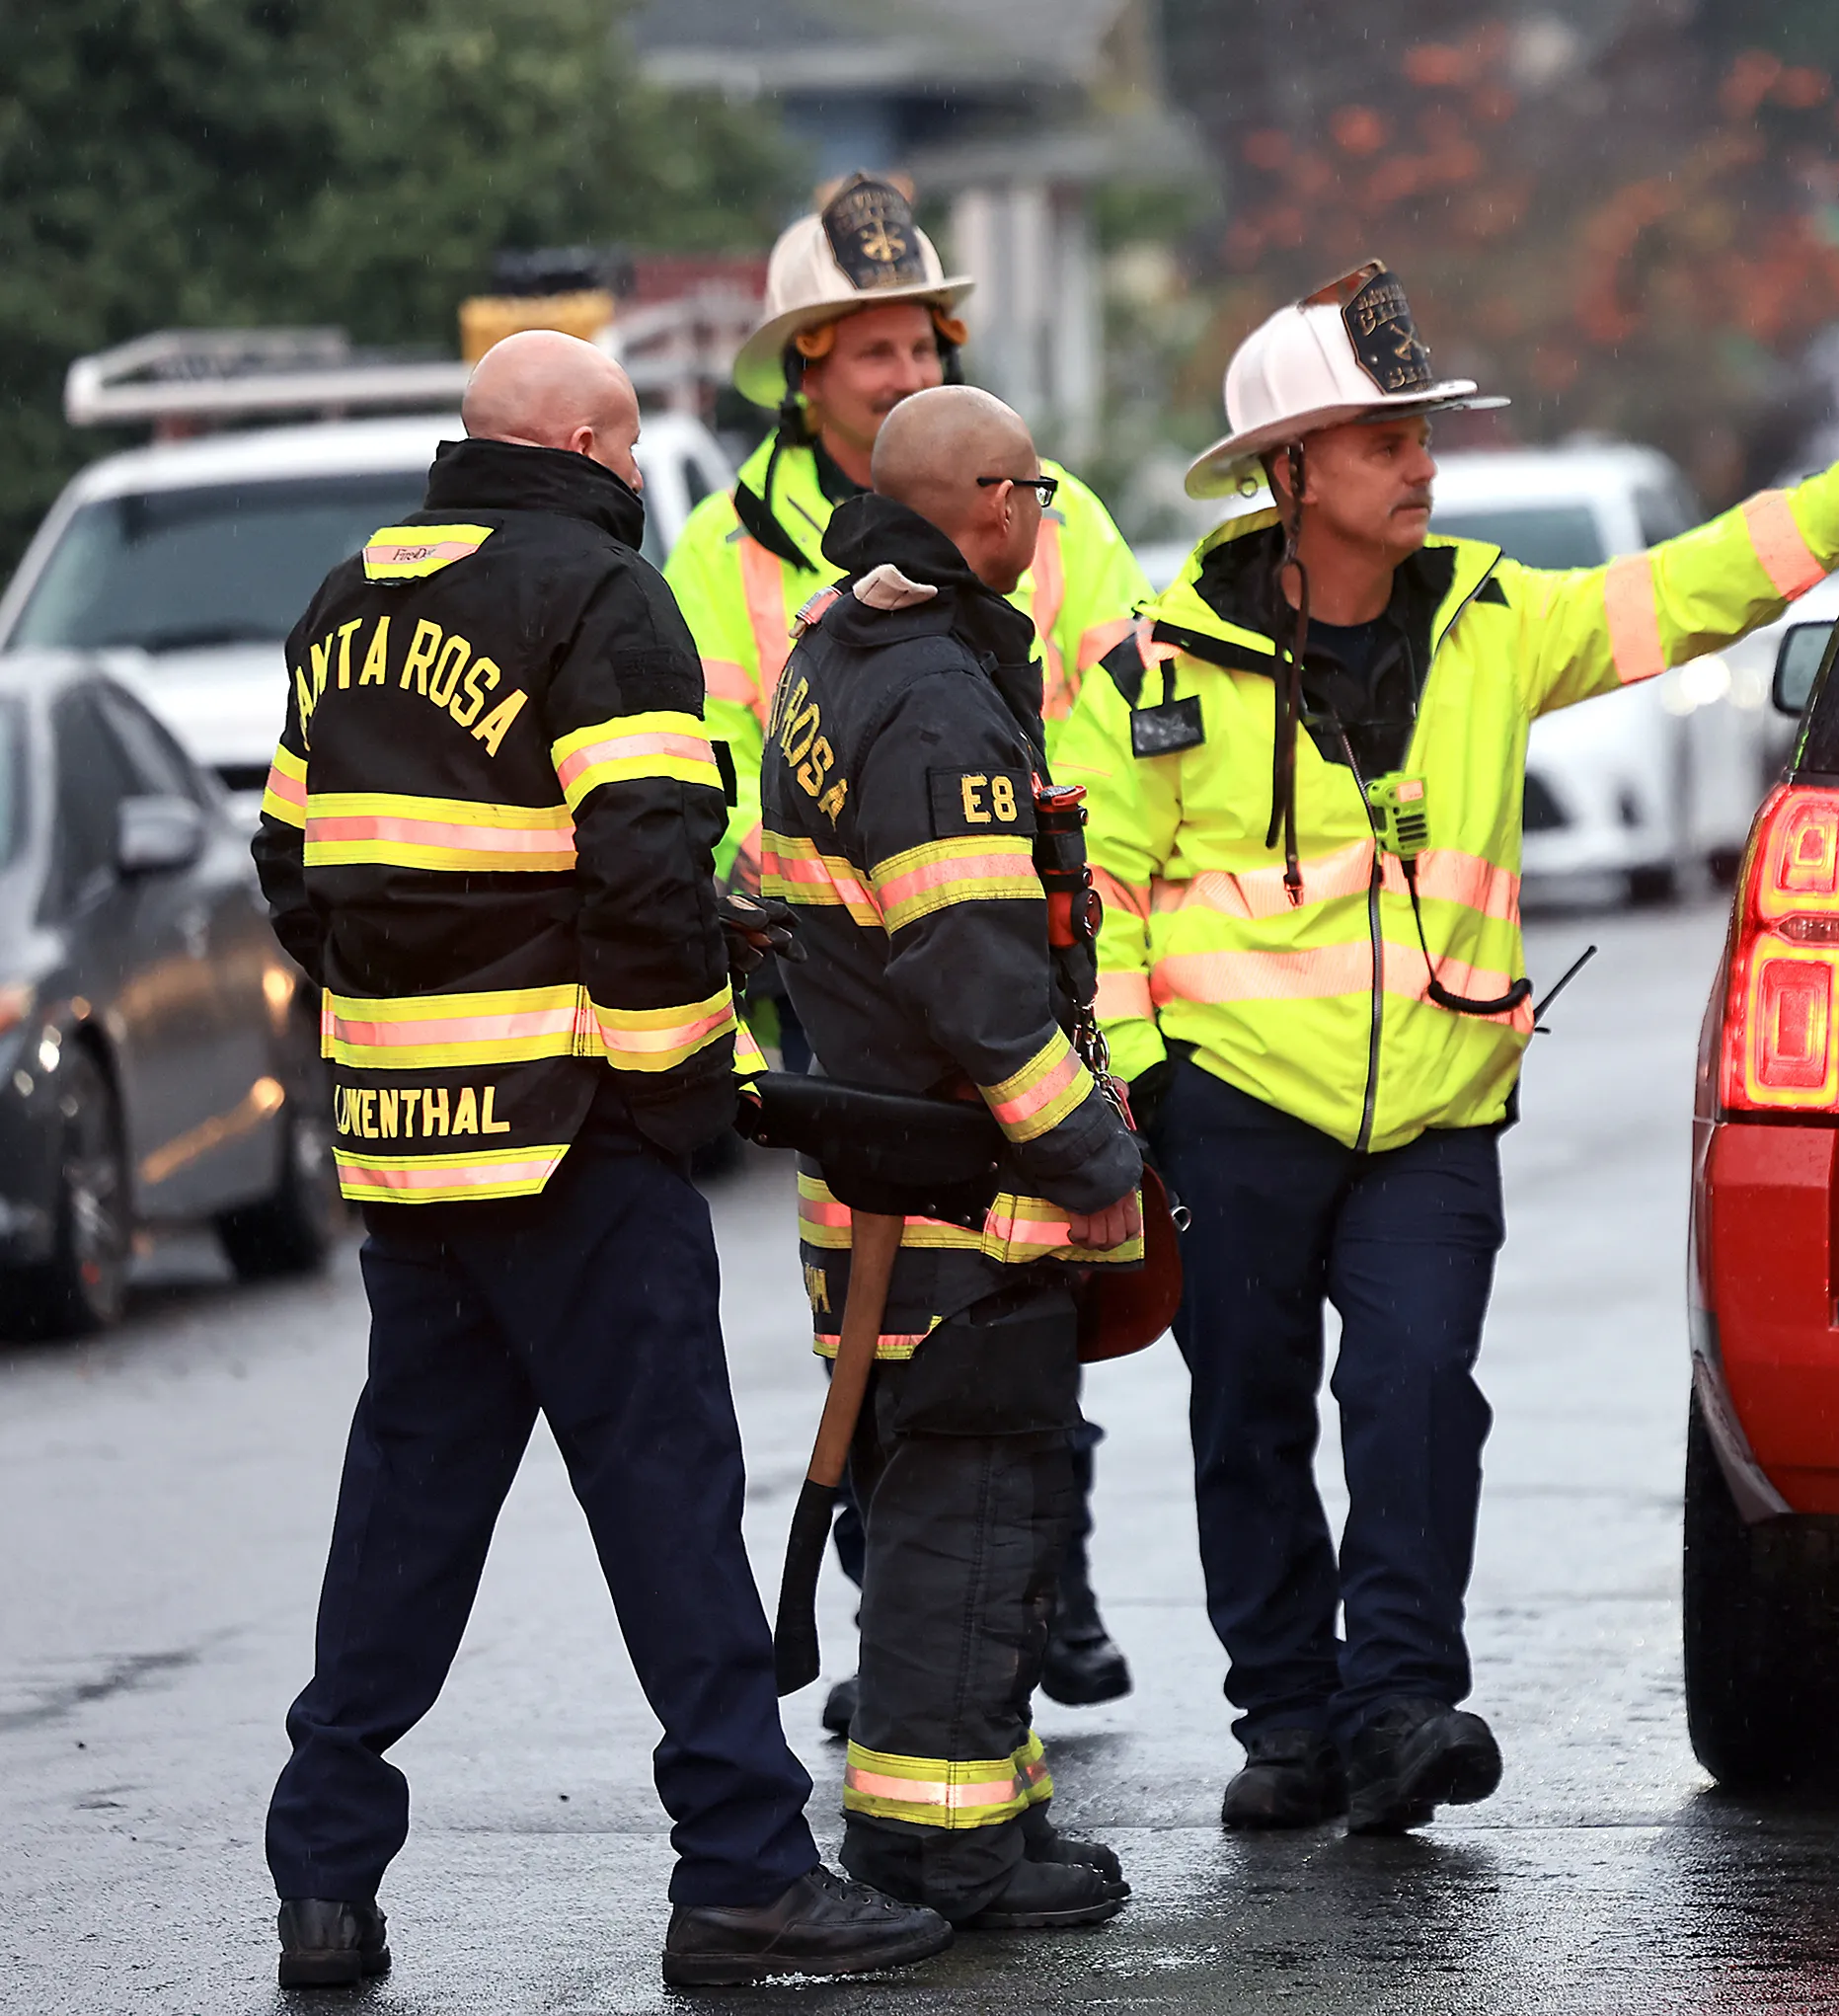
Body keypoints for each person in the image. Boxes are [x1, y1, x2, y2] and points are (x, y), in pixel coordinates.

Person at [1052, 259, 1839, 1833]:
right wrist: (1149, 1087)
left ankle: (1401, 1704)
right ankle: (1288, 1718)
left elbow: (1682, 592)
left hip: (1437, 1116)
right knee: (1248, 1417)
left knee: (1416, 1398)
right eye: (1385, 440)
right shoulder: (1152, 671)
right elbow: (1100, 888)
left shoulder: (1492, 620)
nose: (1424, 465)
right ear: (1289, 471)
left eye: (1421, 437)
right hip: (1228, 1116)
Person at [254, 331, 949, 1990]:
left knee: (406, 1514)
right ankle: (745, 1872)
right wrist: (679, 1093)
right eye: (630, 448)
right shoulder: (602, 596)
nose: (640, 475)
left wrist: (416, 1019)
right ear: (580, 446)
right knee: (667, 1505)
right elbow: (644, 872)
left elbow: (295, 863)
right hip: (577, 1147)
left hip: (409, 1160)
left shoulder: (346, 601)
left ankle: (325, 1878)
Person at [667, 171, 1152, 1726]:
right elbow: (696, 770)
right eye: (873, 348)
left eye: (923, 344)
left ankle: (1021, 1595)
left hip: (1026, 944)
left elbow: (1130, 710)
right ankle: (932, 1639)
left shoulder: (1039, 505)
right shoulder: (724, 553)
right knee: (934, 1327)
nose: (906, 369)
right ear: (805, 369)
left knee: (1019, 1312)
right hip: (864, 982)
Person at [760, 386, 1156, 1929]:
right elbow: (978, 976)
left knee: (944, 1514)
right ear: (993, 503)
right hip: (961, 1193)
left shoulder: (840, 650)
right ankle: (954, 1854)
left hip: (879, 1181)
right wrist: (1092, 1151)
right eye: (1037, 493)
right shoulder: (933, 697)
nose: (1043, 518)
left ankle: (969, 1817)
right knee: (974, 1518)